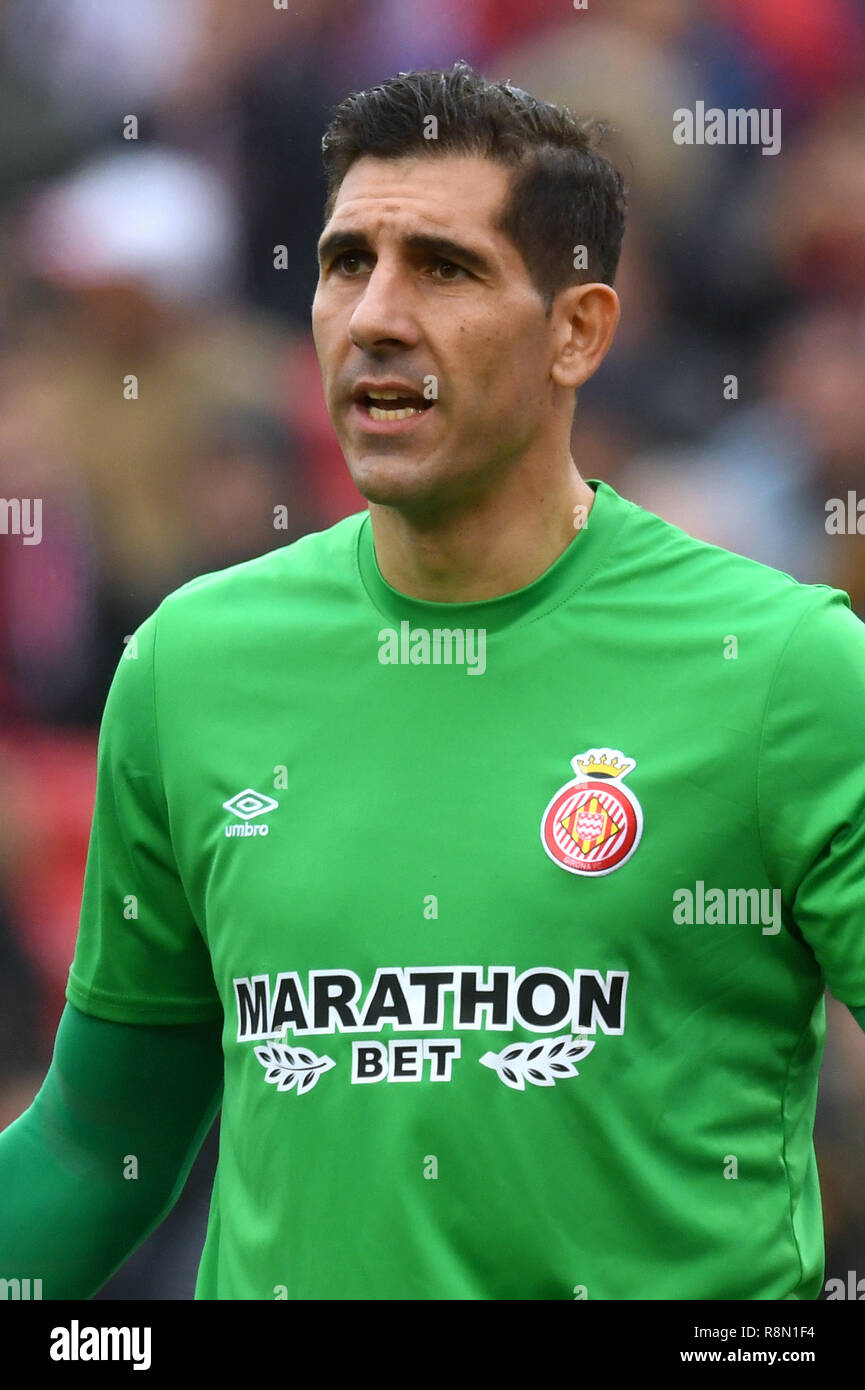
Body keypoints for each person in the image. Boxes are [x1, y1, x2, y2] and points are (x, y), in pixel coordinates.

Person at [2, 60, 865, 1302]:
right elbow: (97, 1147)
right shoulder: (189, 663)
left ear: (578, 330)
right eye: (347, 262)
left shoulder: (784, 668)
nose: (373, 315)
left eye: (445, 269)